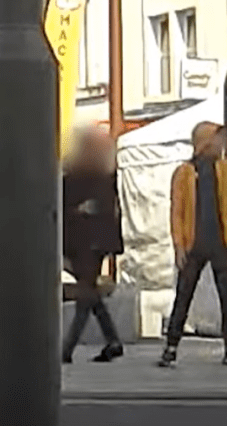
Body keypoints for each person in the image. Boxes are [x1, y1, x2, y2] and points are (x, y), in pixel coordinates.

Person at [158, 122, 227, 367]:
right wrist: (178, 245)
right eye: (218, 139)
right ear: (206, 142)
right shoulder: (184, 173)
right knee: (183, 296)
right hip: (193, 244)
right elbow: (177, 212)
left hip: (222, 241)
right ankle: (171, 346)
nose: (221, 144)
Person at [62, 128, 125, 364]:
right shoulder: (97, 179)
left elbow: (104, 213)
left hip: (86, 243)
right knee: (90, 294)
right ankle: (113, 341)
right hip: (84, 244)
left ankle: (66, 349)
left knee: (86, 293)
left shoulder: (95, 179)